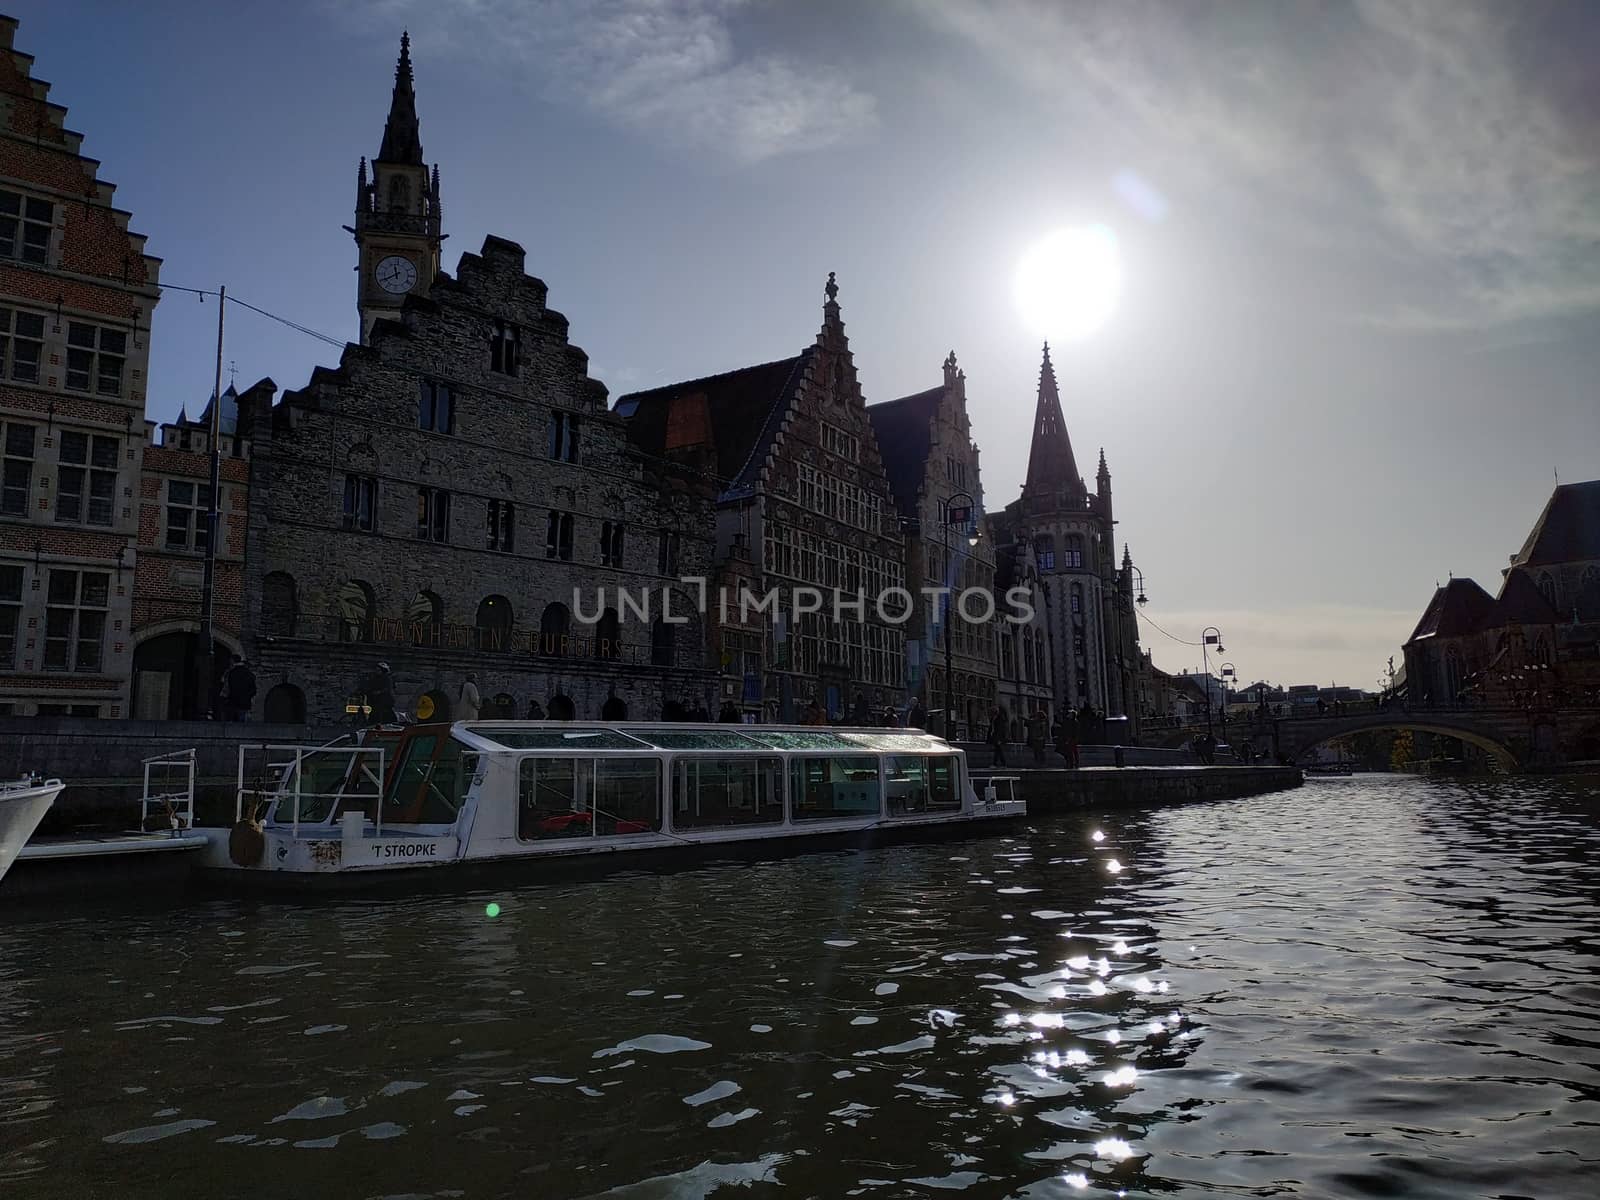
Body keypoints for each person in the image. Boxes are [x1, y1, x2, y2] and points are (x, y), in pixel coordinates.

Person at [223, 656, 257, 721]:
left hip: (233, 702)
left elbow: (227, 688)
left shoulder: (231, 673)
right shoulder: (249, 674)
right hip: (244, 703)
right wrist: (247, 696)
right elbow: (253, 690)